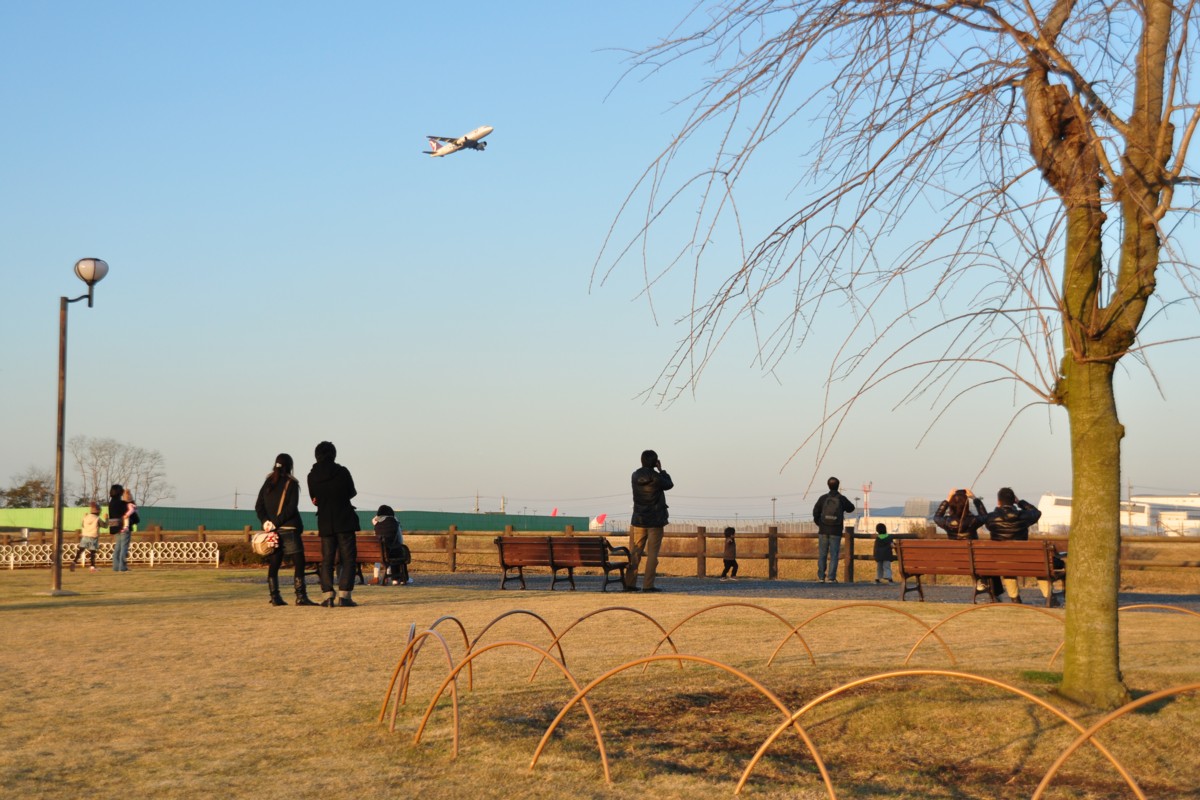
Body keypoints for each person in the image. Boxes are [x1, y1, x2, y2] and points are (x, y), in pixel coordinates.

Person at [255, 454, 316, 607]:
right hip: (289, 528)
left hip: (273, 531)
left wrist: (266, 522)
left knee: (275, 562)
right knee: (299, 562)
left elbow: (258, 506)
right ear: (290, 466)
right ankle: (301, 596)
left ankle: (275, 596)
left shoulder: (268, 482)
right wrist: (276, 523)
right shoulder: (292, 483)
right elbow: (291, 508)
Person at [307, 441, 361, 607]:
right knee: (348, 559)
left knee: (327, 560)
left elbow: (314, 499)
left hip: (325, 521)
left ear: (316, 456)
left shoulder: (312, 476)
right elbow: (352, 492)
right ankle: (345, 596)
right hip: (344, 520)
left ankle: (327, 596)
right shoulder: (342, 472)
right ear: (334, 454)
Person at [983, 488, 1052, 604]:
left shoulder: (991, 518)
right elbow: (1037, 513)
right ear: (1013, 500)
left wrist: (996, 509)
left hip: (1002, 561)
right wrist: (1020, 502)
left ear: (998, 502)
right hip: (1024, 560)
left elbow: (984, 517)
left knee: (1006, 564)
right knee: (1040, 565)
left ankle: (1014, 598)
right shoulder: (1023, 516)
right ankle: (1049, 596)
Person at [623, 449, 673, 593]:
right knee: (652, 555)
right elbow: (669, 484)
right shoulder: (656, 477)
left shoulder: (635, 475)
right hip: (655, 520)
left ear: (642, 460)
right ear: (655, 462)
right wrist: (661, 470)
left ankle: (630, 583)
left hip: (639, 519)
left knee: (635, 552)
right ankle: (648, 585)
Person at [934, 487, 994, 595]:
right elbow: (985, 517)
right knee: (989, 561)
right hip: (974, 560)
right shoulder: (973, 520)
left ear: (951, 505)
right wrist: (974, 498)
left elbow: (936, 517)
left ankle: (985, 584)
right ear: (967, 506)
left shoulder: (946, 522)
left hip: (955, 560)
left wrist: (947, 499)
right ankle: (987, 587)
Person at [812, 477, 854, 583]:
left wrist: (820, 523)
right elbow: (851, 508)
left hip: (823, 530)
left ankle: (821, 577)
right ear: (838, 486)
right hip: (836, 530)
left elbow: (815, 512)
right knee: (834, 555)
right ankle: (831, 577)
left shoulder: (823, 498)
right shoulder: (841, 498)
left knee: (822, 554)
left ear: (828, 485)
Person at [372, 504, 409, 585]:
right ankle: (399, 579)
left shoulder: (376, 523)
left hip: (379, 552)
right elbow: (400, 540)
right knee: (400, 552)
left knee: (392, 551)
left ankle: (392, 579)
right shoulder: (395, 522)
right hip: (391, 552)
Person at [70, 502, 102, 572]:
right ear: (98, 511)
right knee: (92, 552)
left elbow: (82, 525)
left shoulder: (85, 517)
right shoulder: (97, 518)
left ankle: (74, 562)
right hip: (93, 537)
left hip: (85, 537)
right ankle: (92, 567)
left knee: (81, 550)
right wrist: (107, 518)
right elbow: (104, 525)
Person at [107, 484, 130, 572]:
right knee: (124, 547)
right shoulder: (121, 503)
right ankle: (122, 567)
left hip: (114, 526)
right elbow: (127, 511)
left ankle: (116, 566)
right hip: (123, 526)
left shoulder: (111, 503)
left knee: (118, 547)